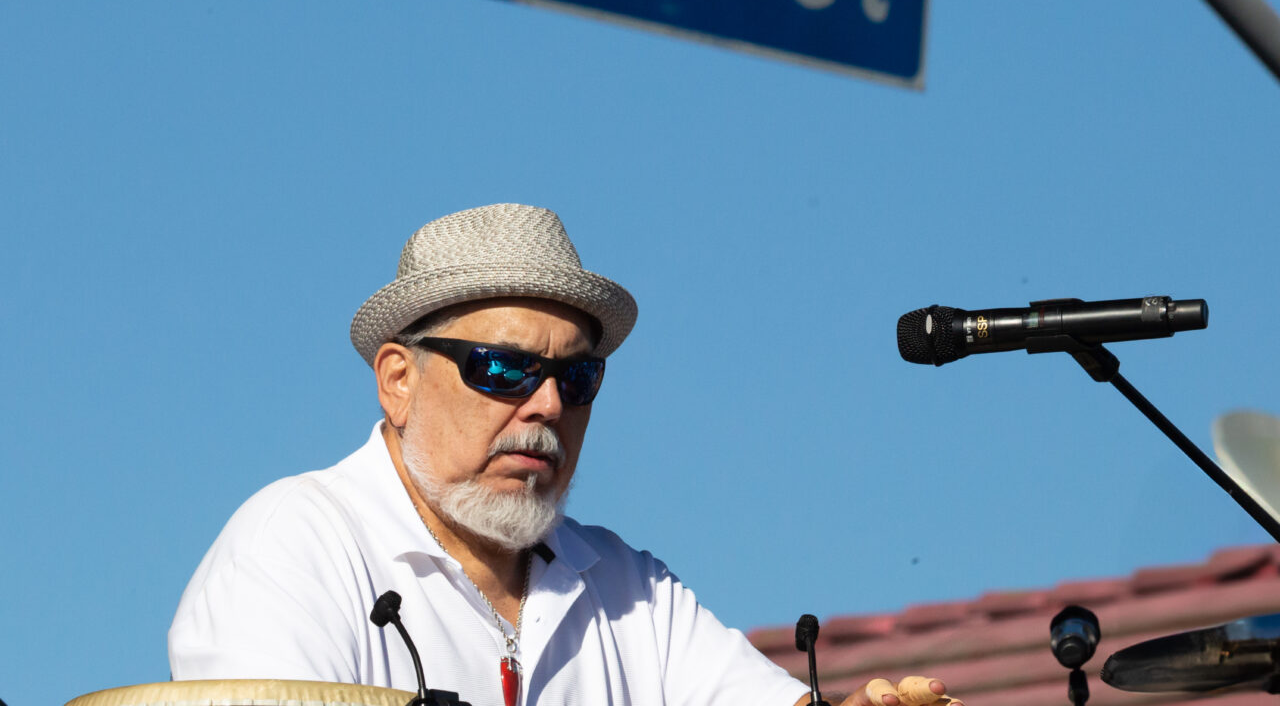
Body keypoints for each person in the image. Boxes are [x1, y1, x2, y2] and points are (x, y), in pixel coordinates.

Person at [169, 203, 960, 706]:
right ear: (399, 381)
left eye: (577, 377)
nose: (546, 405)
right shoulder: (294, 546)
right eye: (504, 369)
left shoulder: (630, 591)